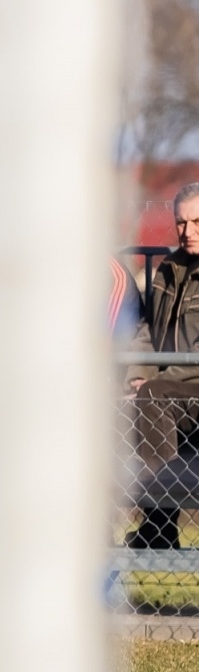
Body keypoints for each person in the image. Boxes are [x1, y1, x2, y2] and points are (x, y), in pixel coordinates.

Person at [127, 184, 199, 549]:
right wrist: (139, 374)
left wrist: (157, 381)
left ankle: (159, 527)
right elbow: (147, 331)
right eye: (181, 223)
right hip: (169, 388)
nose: (188, 232)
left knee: (154, 396)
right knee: (119, 401)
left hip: (188, 386)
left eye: (197, 222)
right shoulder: (169, 269)